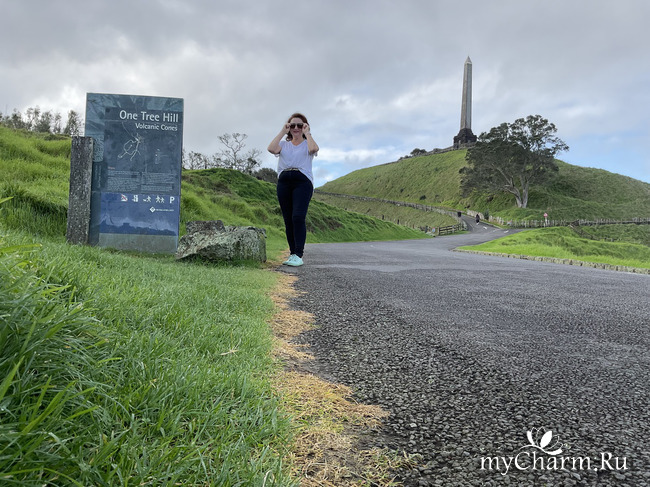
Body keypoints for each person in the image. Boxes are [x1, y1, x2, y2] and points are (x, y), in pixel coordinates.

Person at [267, 113, 319, 267]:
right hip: (284, 182)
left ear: (305, 126)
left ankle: (299, 254)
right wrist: (282, 131)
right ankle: (292, 254)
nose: (296, 128)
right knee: (288, 219)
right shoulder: (284, 145)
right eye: (292, 125)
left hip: (302, 182)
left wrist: (307, 133)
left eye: (300, 125)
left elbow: (314, 149)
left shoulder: (308, 143)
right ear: (289, 127)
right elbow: (271, 148)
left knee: (298, 217)